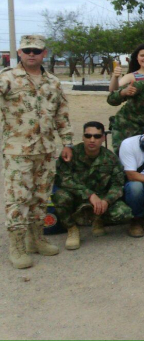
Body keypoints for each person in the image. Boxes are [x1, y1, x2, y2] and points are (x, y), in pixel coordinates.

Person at [1, 35, 72, 269]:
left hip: (46, 149)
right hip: (17, 150)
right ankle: (17, 246)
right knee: (18, 199)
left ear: (45, 53)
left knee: (41, 197)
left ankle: (37, 238)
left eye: (37, 50)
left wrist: (67, 143)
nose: (32, 54)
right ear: (20, 52)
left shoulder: (52, 81)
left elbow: (61, 114)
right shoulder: (8, 78)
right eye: (27, 50)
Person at [52, 121, 133, 250]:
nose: (92, 140)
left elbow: (117, 185)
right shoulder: (70, 155)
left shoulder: (111, 158)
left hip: (100, 201)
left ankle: (97, 218)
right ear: (83, 137)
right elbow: (63, 180)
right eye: (88, 136)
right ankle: (72, 228)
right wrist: (89, 194)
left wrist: (106, 200)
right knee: (60, 196)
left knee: (124, 213)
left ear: (103, 138)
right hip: (77, 198)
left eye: (96, 136)